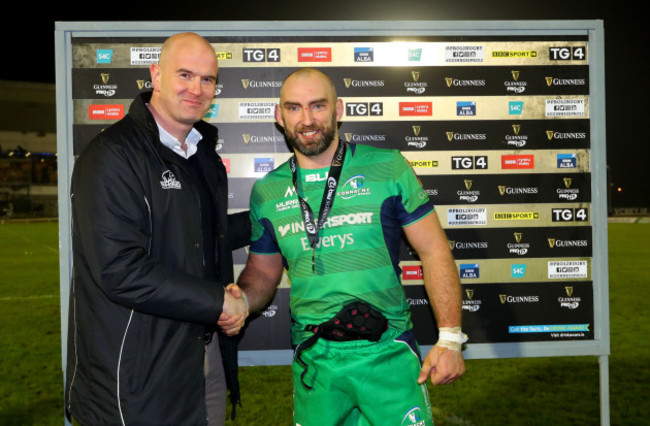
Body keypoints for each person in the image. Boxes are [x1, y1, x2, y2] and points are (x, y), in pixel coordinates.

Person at [236, 67, 467, 426]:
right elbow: (264, 271)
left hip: (388, 353)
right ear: (280, 117)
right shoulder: (266, 191)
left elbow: (434, 251)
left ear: (338, 109)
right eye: (294, 108)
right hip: (316, 362)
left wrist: (450, 339)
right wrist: (240, 302)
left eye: (318, 106)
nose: (307, 119)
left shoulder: (388, 167)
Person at [64, 32, 250, 426]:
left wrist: (269, 221)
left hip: (202, 359)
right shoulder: (112, 155)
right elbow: (120, 270)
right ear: (156, 74)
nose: (196, 89)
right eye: (185, 75)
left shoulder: (202, 155)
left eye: (208, 79)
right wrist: (217, 302)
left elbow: (200, 237)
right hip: (138, 374)